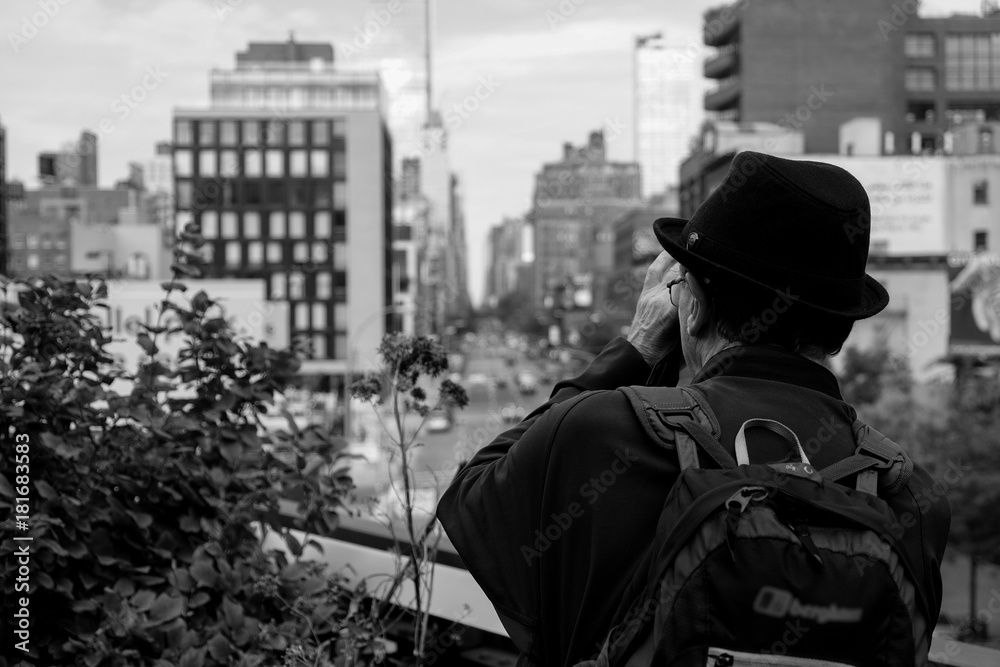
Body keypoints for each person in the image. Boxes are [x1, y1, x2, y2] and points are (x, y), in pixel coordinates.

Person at [436, 151, 951, 667]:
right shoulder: (910, 496)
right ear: (840, 332)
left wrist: (636, 347)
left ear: (695, 307)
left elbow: (470, 498)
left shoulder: (602, 436)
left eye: (681, 288)